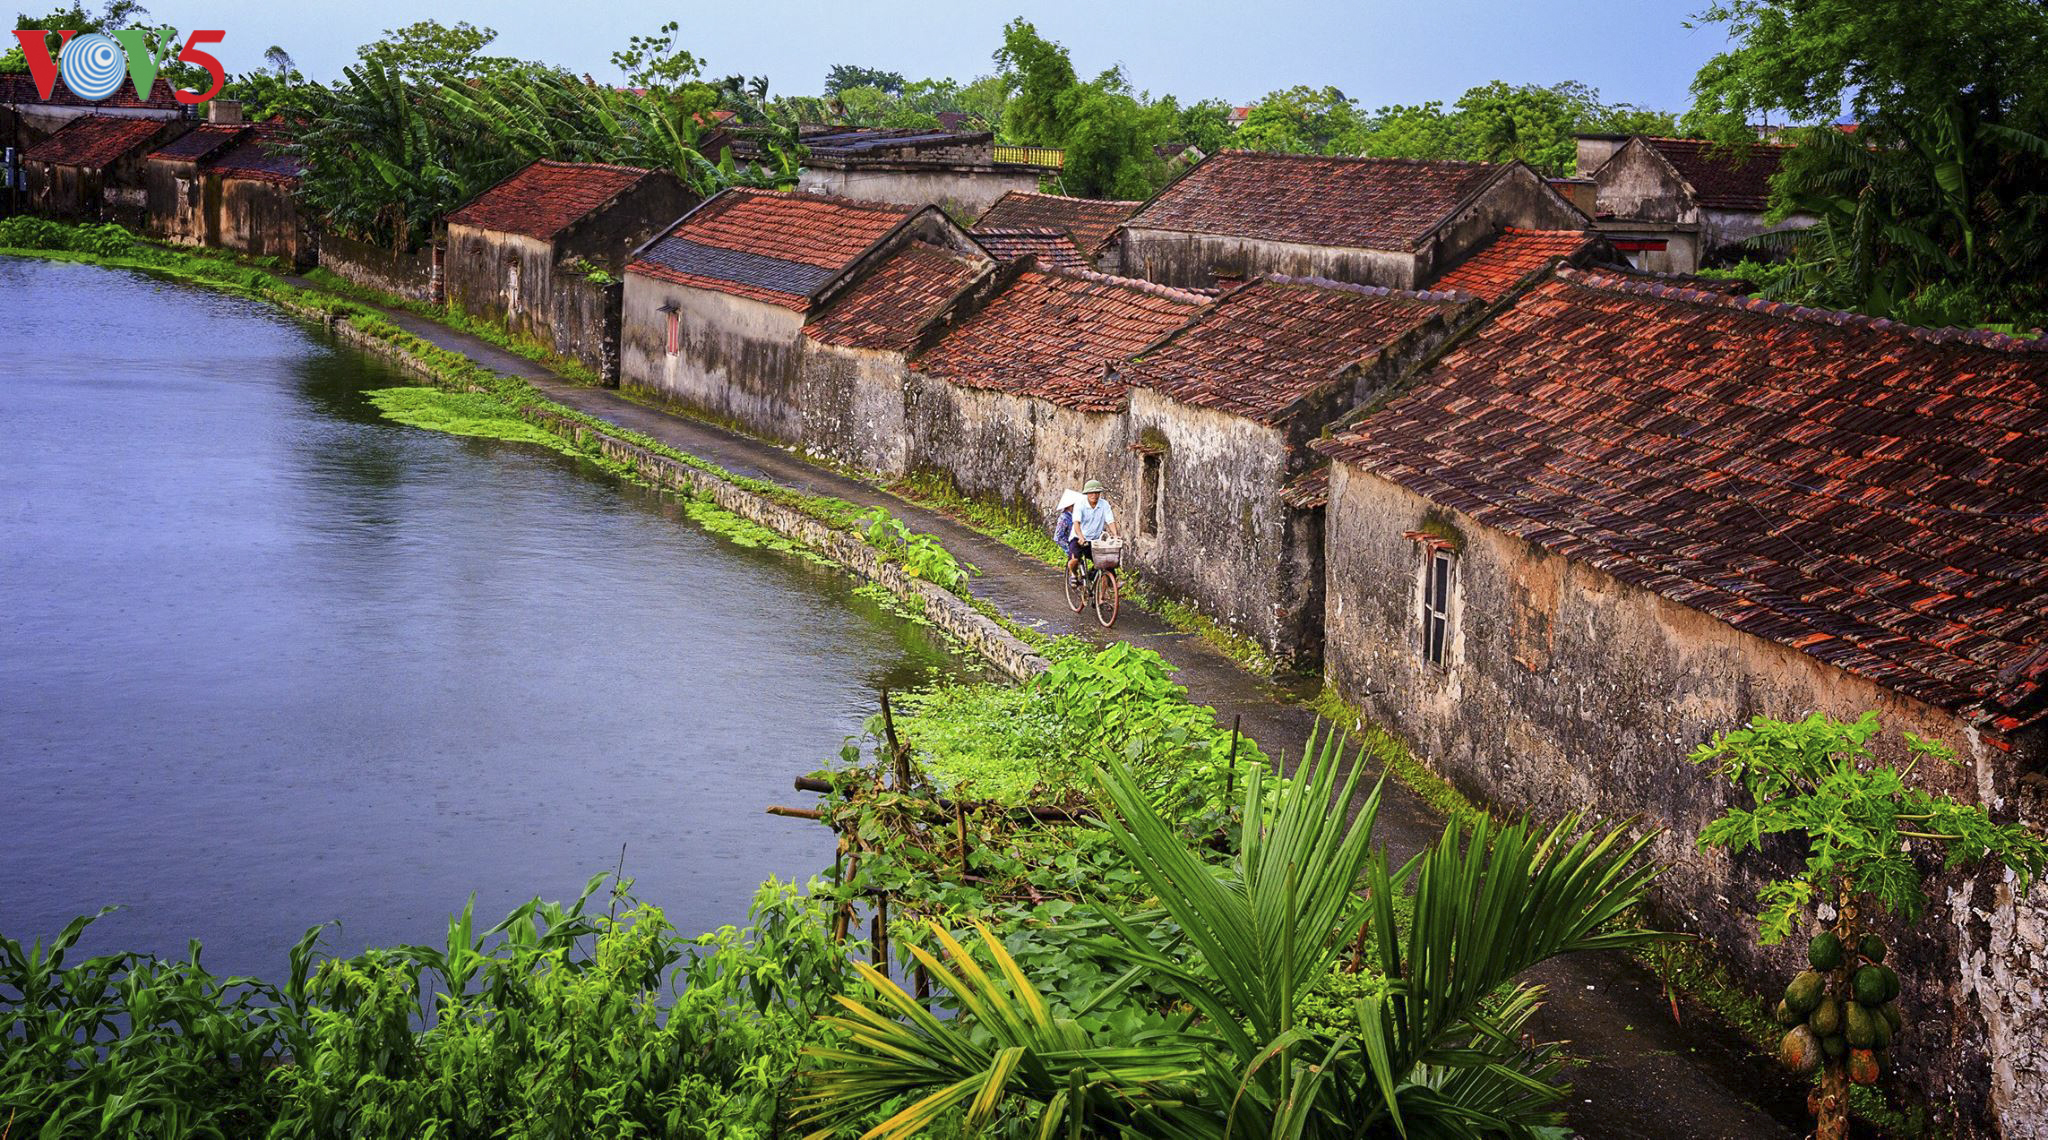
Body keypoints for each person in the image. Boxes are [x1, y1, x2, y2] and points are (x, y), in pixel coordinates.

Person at [1065, 478, 1118, 586]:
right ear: (1087, 494)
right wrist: (1081, 537)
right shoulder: (1080, 504)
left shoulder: (1104, 504)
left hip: (1095, 540)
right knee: (1074, 560)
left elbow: (1110, 521)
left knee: (1106, 563)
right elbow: (1076, 523)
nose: (1094, 495)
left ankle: (1108, 588)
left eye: (1097, 492)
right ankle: (1074, 574)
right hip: (1078, 538)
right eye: (1091, 493)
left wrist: (1116, 535)